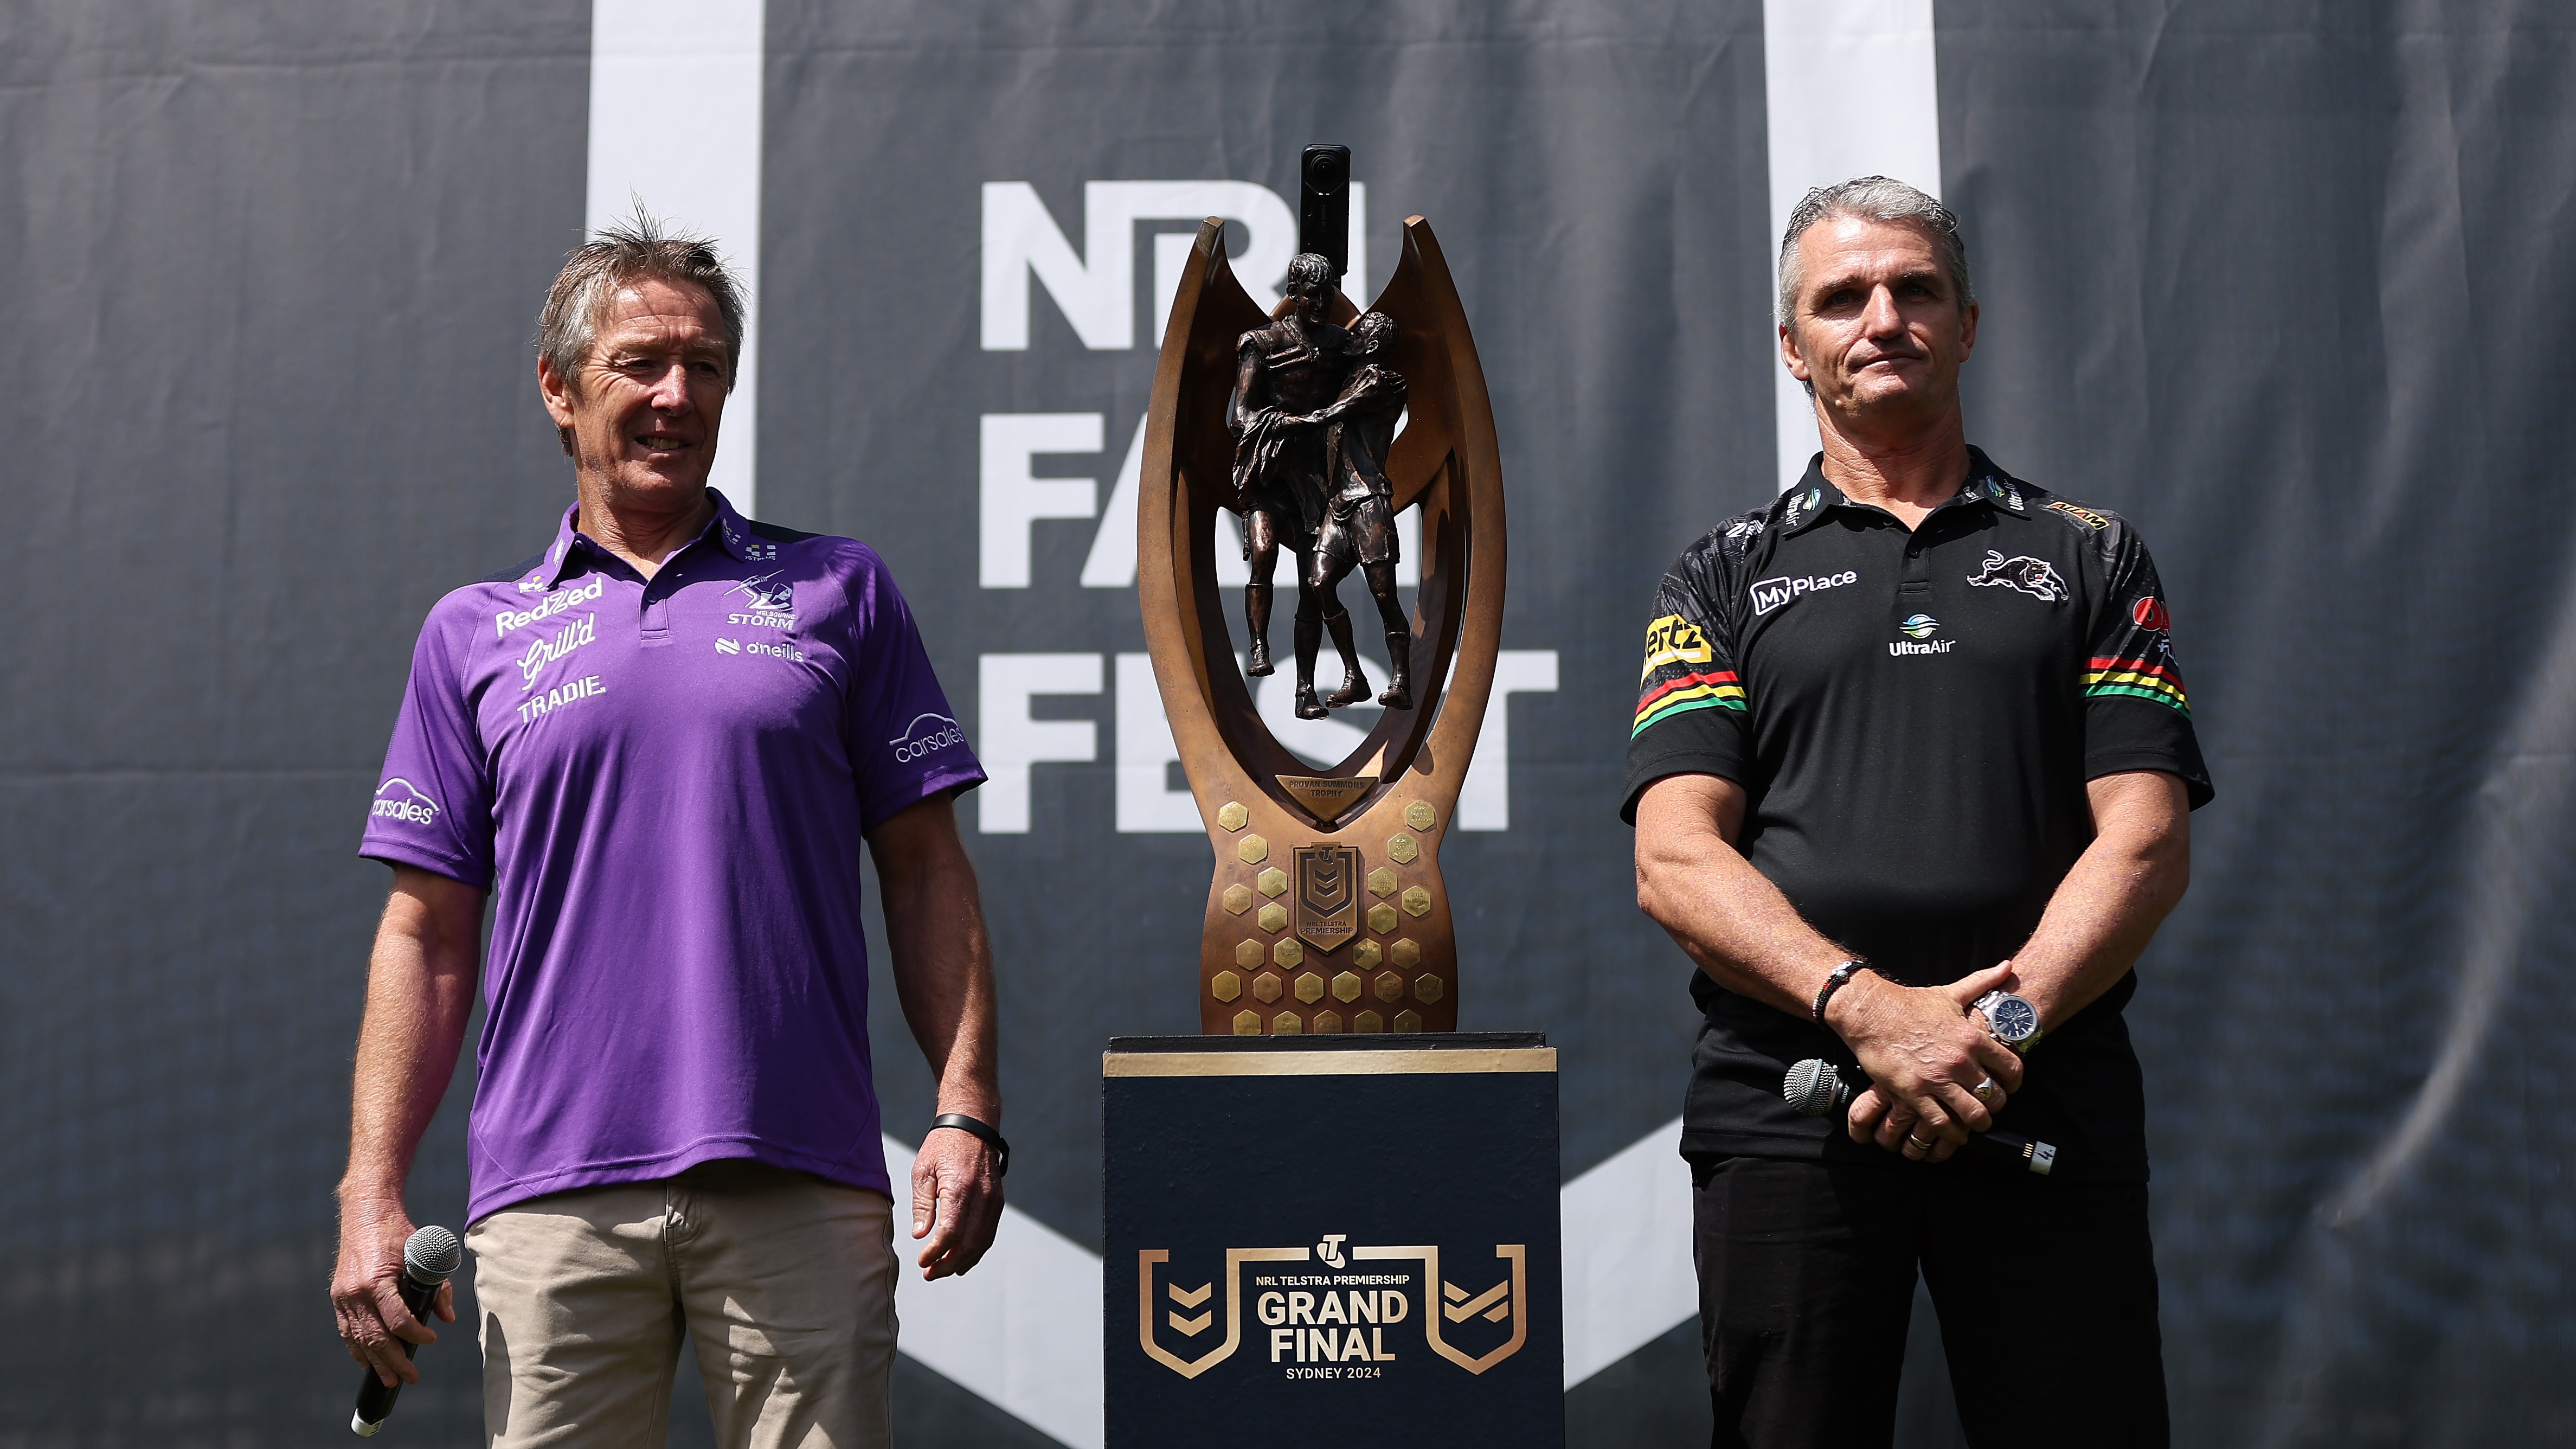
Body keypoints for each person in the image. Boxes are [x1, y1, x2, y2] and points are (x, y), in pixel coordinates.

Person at [330, 213, 1005, 1449]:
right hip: (551, 1195)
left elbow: (925, 874)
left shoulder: (839, 589)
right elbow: (424, 933)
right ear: (559, 388)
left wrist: (963, 1107)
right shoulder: (472, 632)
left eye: (704, 366)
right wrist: (370, 1188)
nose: (674, 395)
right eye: (639, 363)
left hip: (800, 1174)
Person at [1627, 176, 2211, 1447]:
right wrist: (1868, 1012)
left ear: (1966, 324)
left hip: (2038, 1092)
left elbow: (2146, 839)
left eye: (1914, 290)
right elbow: (1672, 859)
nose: (1880, 317)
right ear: (1792, 347)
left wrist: (1985, 1032)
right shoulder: (1717, 574)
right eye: (1841, 298)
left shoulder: (2088, 553)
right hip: (1790, 1109)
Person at [1227, 251, 1356, 704]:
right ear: (1293, 295)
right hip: (1271, 468)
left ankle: (1305, 690)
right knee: (1263, 552)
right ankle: (1259, 646)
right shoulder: (1261, 345)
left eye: (1327, 296)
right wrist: (1288, 422)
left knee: (1312, 585)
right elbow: (1241, 416)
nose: (1320, 304)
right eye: (1311, 295)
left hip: (1316, 478)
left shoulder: (1342, 344)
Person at [1293, 309, 1414, 710]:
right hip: (1339, 505)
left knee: (1383, 593)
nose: (1351, 336)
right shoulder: (1348, 379)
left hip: (1369, 501)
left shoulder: (1381, 382)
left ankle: (1401, 679)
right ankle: (1354, 676)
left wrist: (1291, 421)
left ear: (1373, 344)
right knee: (1319, 582)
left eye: (1359, 333)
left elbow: (1334, 413)